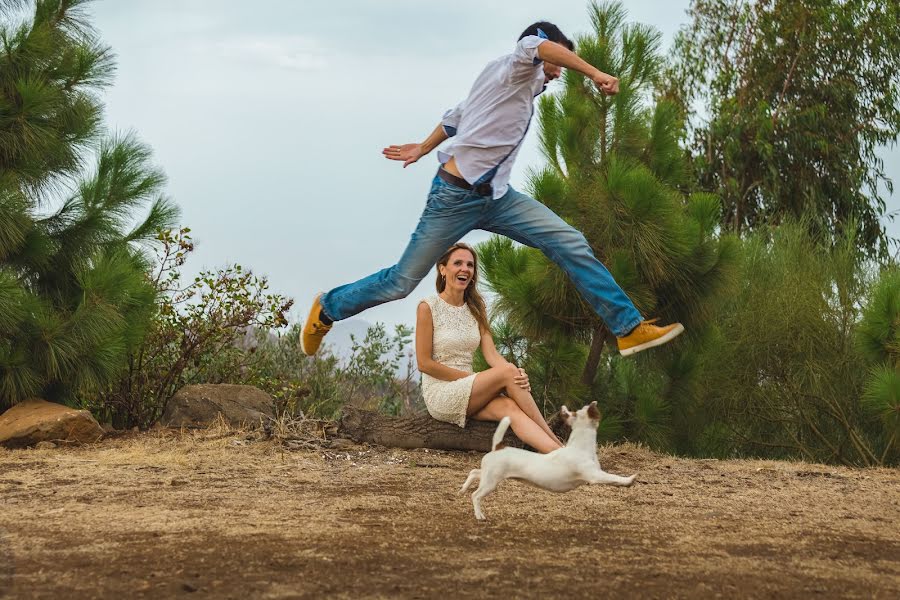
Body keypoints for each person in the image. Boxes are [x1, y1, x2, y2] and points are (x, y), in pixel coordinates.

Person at [301, 21, 683, 358]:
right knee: (400, 282)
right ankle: (328, 308)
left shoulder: (509, 87)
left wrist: (422, 146)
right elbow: (538, 47)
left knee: (570, 242)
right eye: (560, 62)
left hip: (499, 199)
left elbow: (455, 118)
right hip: (453, 199)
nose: (560, 72)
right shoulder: (516, 65)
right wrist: (595, 73)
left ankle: (628, 330)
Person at [417, 243, 562, 453]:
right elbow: (424, 363)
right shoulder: (428, 307)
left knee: (510, 407)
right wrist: (472, 378)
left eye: (470, 265)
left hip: (472, 388)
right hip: (441, 392)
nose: (465, 269)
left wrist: (515, 374)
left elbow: (492, 355)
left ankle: (560, 456)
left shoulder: (476, 308)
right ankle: (555, 439)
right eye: (457, 263)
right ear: (442, 269)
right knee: (507, 373)